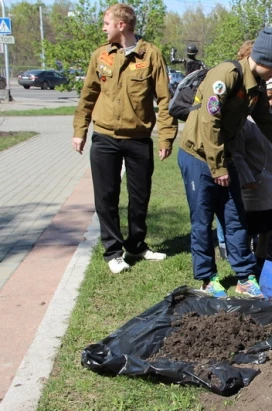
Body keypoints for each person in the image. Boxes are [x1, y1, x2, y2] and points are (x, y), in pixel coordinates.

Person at [177, 28, 272, 298]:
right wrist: (218, 167)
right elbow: (210, 122)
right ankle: (208, 279)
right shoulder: (226, 75)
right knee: (202, 219)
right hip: (198, 156)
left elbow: (269, 126)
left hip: (224, 157)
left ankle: (244, 276)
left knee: (235, 218)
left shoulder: (256, 87)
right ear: (264, 60)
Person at [72, 3, 178, 274]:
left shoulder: (151, 55)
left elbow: (165, 100)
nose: (103, 27)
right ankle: (112, 251)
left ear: (121, 25)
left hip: (139, 139)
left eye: (106, 23)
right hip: (105, 137)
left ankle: (137, 245)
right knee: (106, 196)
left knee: (140, 196)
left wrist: (166, 138)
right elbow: (88, 95)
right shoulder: (101, 55)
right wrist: (80, 130)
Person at [230, 79, 272, 264]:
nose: (270, 103)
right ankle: (244, 257)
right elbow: (236, 153)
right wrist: (246, 176)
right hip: (253, 179)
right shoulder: (245, 120)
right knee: (250, 222)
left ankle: (262, 252)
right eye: (268, 98)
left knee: (269, 220)